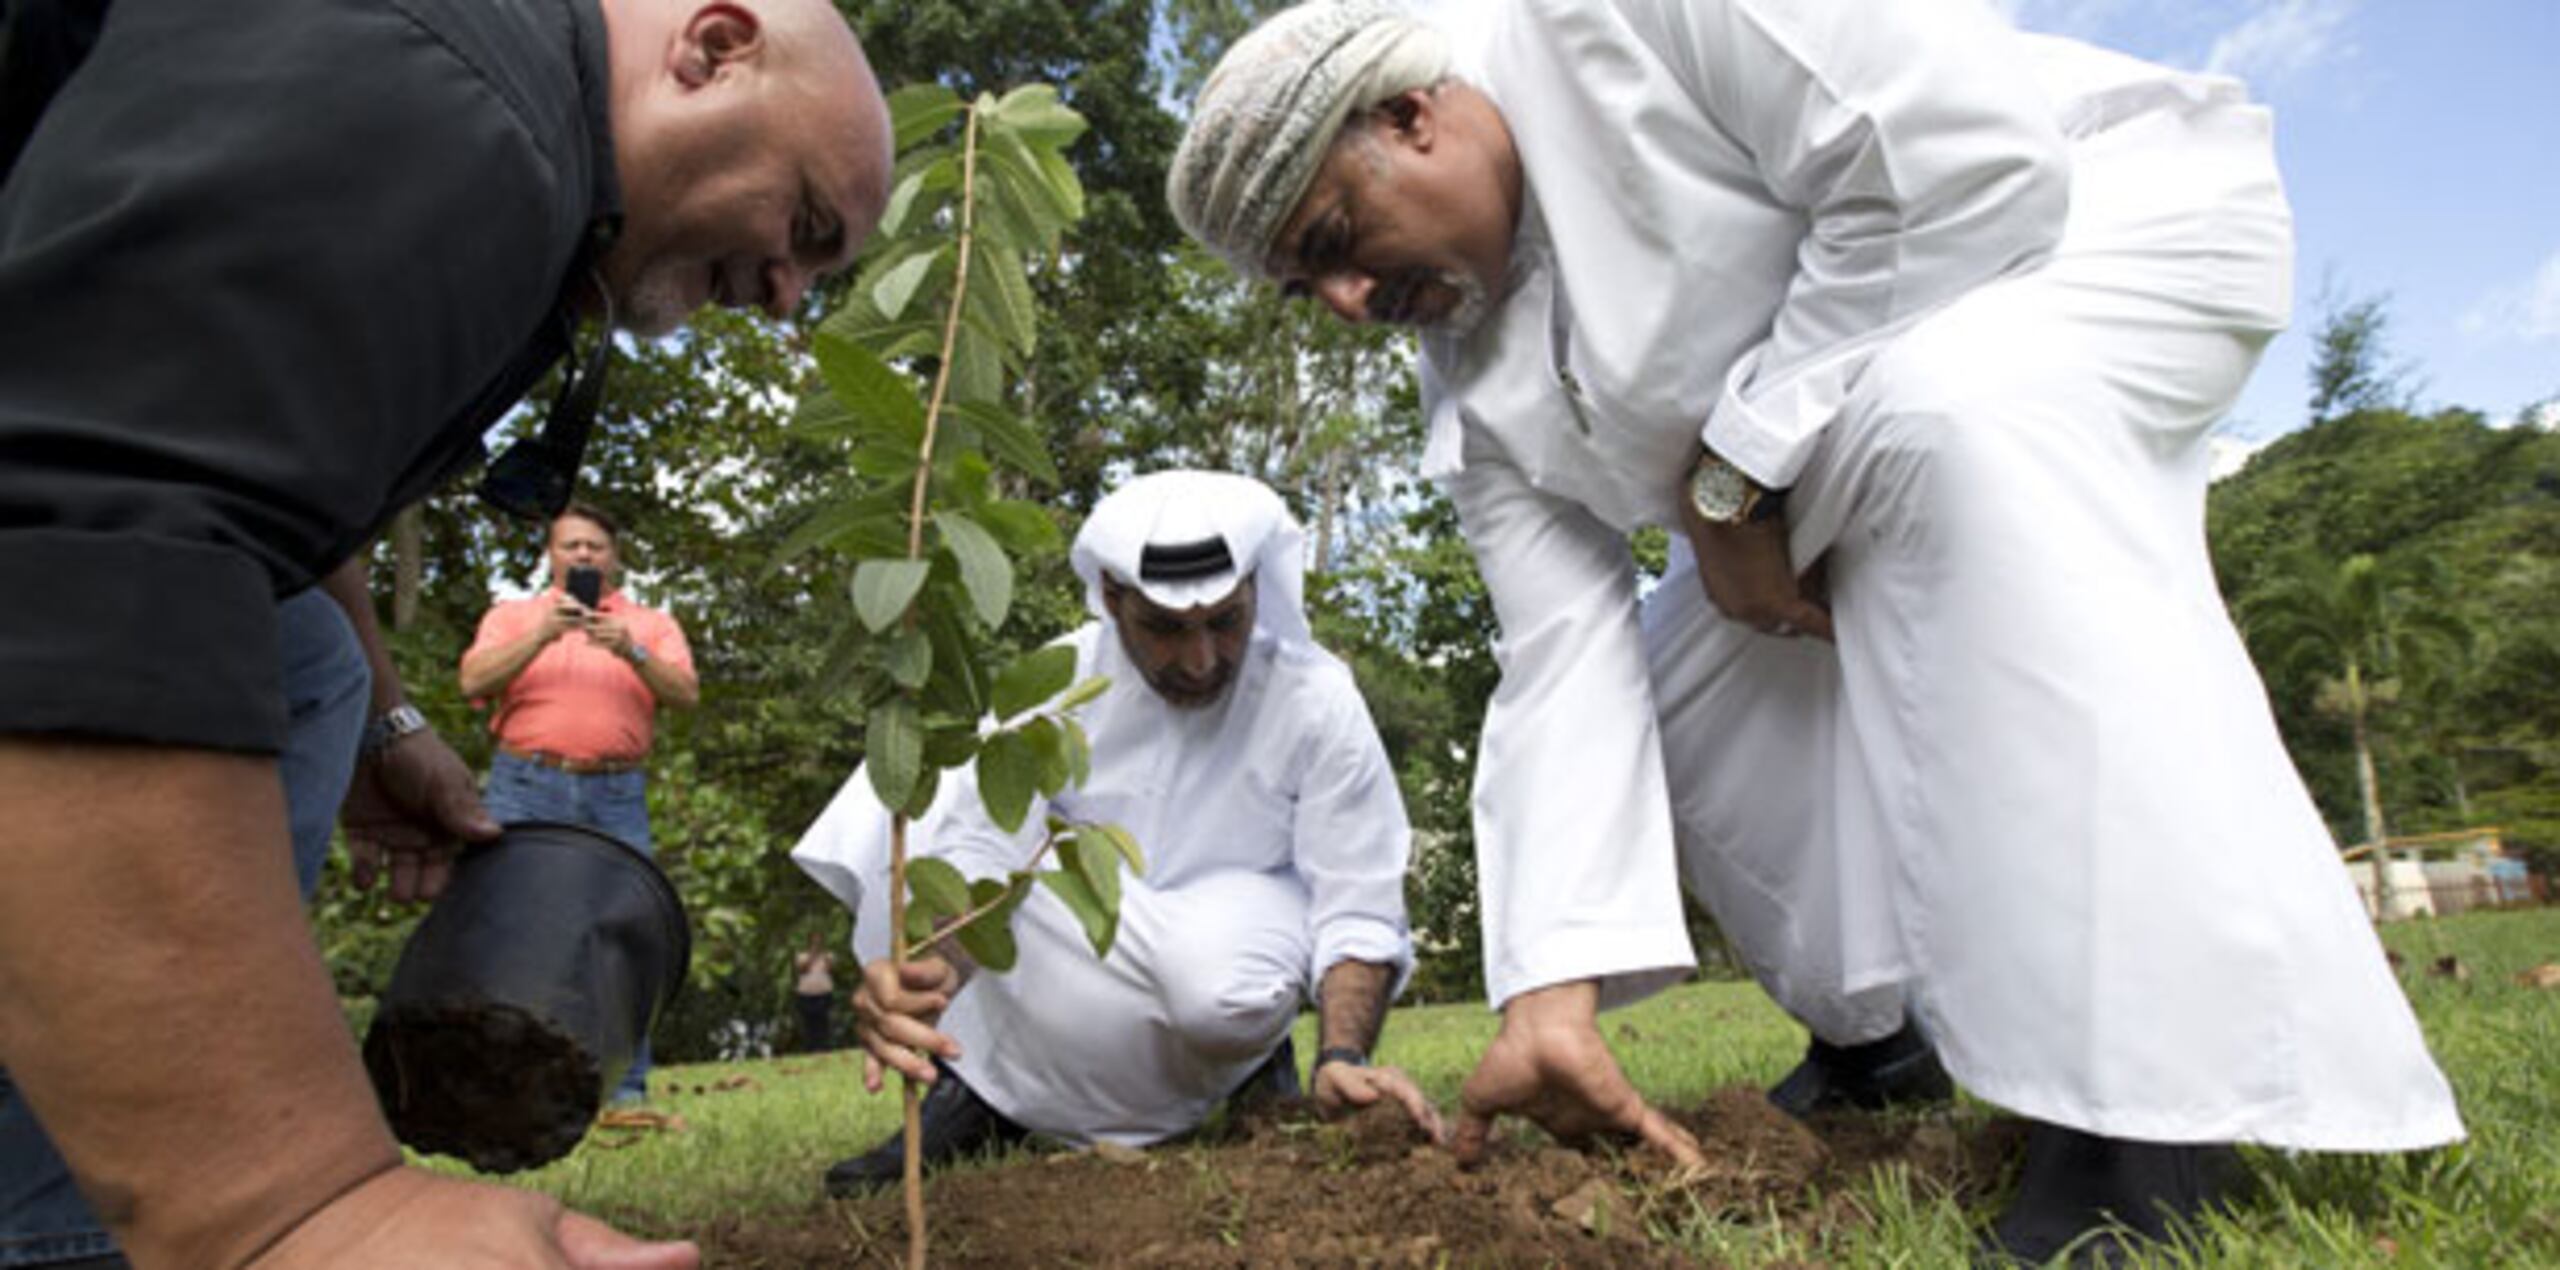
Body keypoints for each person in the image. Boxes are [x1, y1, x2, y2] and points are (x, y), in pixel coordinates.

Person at [1168, 0, 2464, 1260]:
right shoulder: (1471, 380)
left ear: (1412, 114)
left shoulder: (1617, 20)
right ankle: (1883, 1032)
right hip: (1829, 426)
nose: (1344, 299)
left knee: (1951, 428)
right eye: (1304, 286)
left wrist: (1734, 476)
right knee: (1674, 691)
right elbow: (1563, 659)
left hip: (2088, 231)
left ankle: (2150, 1105)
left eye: (1336, 235)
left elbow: (1967, 166)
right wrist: (1548, 996)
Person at [0, 0, 892, 1262]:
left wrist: (381, 713)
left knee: (306, 657)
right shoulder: (459, 96)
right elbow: (87, 556)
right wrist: (297, 1211)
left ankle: (45, 1213)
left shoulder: (513, 162)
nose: (788, 295)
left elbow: (258, 489)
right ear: (714, 45)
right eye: (805, 226)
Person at [791, 470, 1439, 1195]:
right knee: (934, 801)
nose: (1201, 660)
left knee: (1218, 987)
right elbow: (981, 856)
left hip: (1237, 946)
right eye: (1165, 629)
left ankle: (1257, 1063)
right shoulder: (1056, 683)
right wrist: (929, 976)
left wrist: (1341, 1056)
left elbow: (1358, 902)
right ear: (1110, 598)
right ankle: (978, 1092)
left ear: (1258, 588)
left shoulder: (1315, 701)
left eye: (1226, 621)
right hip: (1066, 928)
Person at [460, 503, 700, 1103]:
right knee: (513, 927)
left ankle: (626, 1088)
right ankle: (509, 1087)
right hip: (525, 783)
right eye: (571, 546)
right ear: (551, 555)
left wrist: (631, 652)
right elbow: (472, 681)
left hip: (615, 791)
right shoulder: (514, 616)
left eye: (595, 546)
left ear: (614, 557)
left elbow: (687, 694)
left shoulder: (649, 624)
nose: (585, 556)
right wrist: (545, 634)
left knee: (624, 927)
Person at [791, 931, 838, 1053]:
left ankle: (824, 1048)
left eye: (819, 940)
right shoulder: (801, 956)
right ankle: (810, 1049)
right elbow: (802, 968)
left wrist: (823, 957)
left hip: (823, 994)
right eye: (814, 940)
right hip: (806, 995)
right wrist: (812, 954)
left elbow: (831, 968)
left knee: (823, 1022)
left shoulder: (828, 956)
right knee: (809, 1023)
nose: (816, 943)